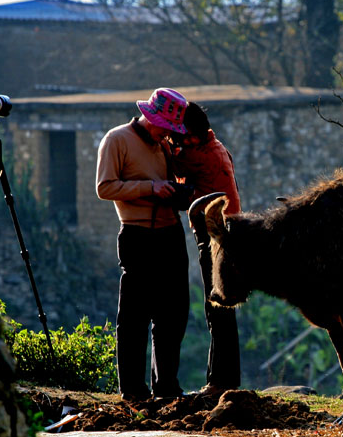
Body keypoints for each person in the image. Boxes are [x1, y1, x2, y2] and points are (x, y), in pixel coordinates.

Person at [96, 87, 190, 401]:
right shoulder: (117, 140)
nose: (167, 134)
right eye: (165, 128)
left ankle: (167, 388)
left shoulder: (165, 146)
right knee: (134, 317)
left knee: (173, 315)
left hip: (170, 235)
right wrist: (150, 188)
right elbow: (105, 187)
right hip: (137, 236)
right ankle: (133, 391)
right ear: (151, 118)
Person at [169, 102, 243, 395]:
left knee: (218, 309)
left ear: (190, 135)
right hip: (226, 234)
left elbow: (165, 163)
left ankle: (220, 383)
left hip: (217, 237)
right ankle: (223, 380)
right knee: (220, 308)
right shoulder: (215, 145)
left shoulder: (198, 156)